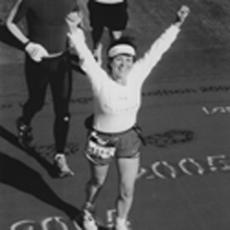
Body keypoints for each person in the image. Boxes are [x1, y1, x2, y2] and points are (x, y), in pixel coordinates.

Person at [67, 5, 190, 230]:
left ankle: (121, 223)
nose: (124, 64)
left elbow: (157, 50)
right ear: (110, 62)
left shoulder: (137, 75)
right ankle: (87, 212)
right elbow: (84, 54)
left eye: (128, 60)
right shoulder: (100, 79)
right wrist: (74, 31)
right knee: (97, 182)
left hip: (129, 138)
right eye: (118, 60)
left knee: (127, 188)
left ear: (133, 62)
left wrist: (176, 24)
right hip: (101, 139)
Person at [6, 0, 83, 178]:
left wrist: (75, 31)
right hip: (37, 63)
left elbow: (76, 16)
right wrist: (28, 45)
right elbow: (10, 23)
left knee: (63, 111)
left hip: (62, 62)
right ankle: (24, 122)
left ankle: (60, 156)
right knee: (37, 101)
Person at [87, 0, 128, 65]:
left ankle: (115, 54)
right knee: (96, 29)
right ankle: (96, 50)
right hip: (97, 2)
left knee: (116, 34)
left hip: (117, 3)